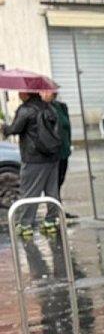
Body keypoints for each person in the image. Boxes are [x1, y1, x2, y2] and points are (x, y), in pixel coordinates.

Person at [1, 91, 62, 239]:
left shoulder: (26, 110)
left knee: (29, 192)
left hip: (33, 158)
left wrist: (4, 127)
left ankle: (25, 224)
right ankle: (51, 221)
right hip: (52, 157)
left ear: (26, 94)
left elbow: (14, 129)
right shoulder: (49, 108)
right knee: (52, 191)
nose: (19, 94)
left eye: (21, 92)